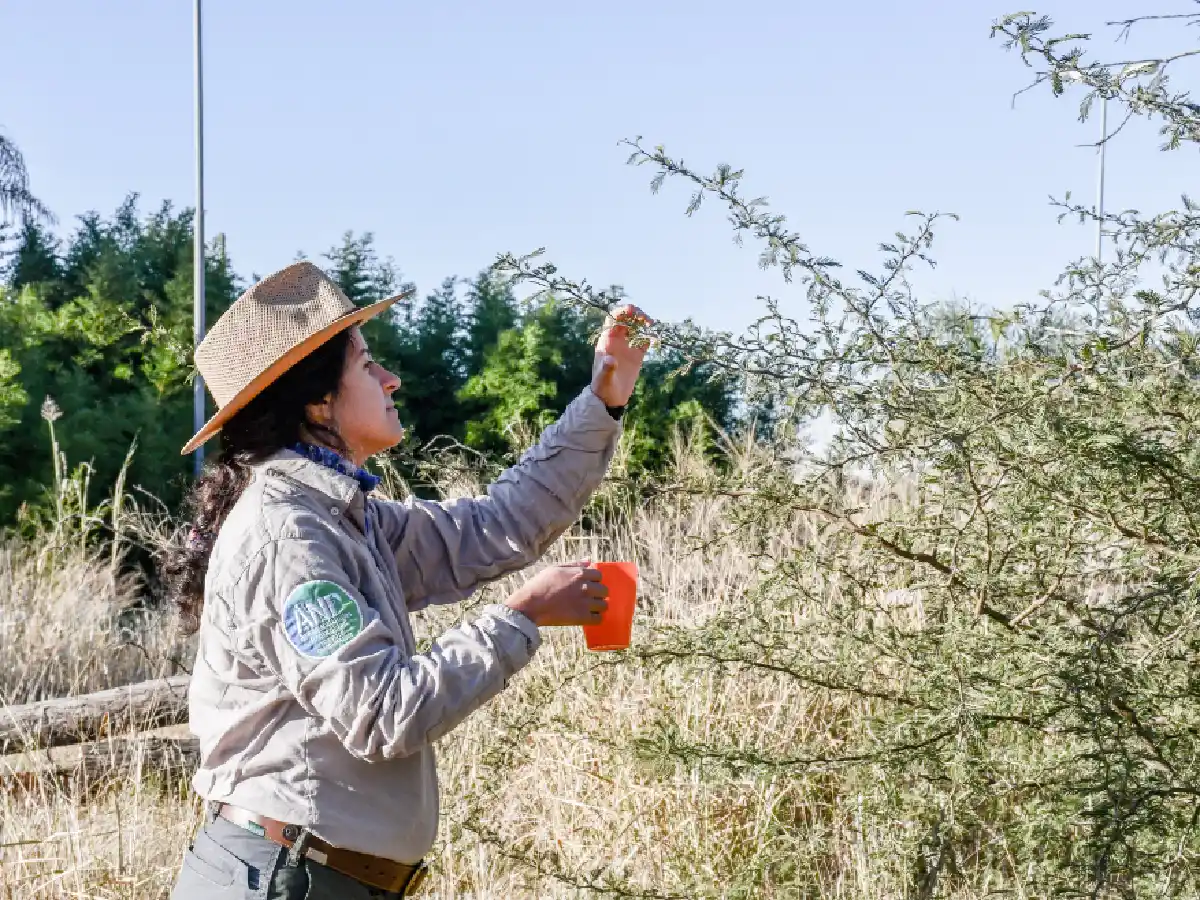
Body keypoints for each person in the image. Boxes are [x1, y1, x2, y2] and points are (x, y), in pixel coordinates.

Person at [165, 261, 650, 899]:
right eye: (367, 364)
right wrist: (521, 616)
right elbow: (382, 713)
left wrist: (603, 399)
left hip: (305, 877)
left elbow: (497, 524)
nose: (390, 377)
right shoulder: (289, 538)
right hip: (286, 882)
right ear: (316, 400)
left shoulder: (338, 516)